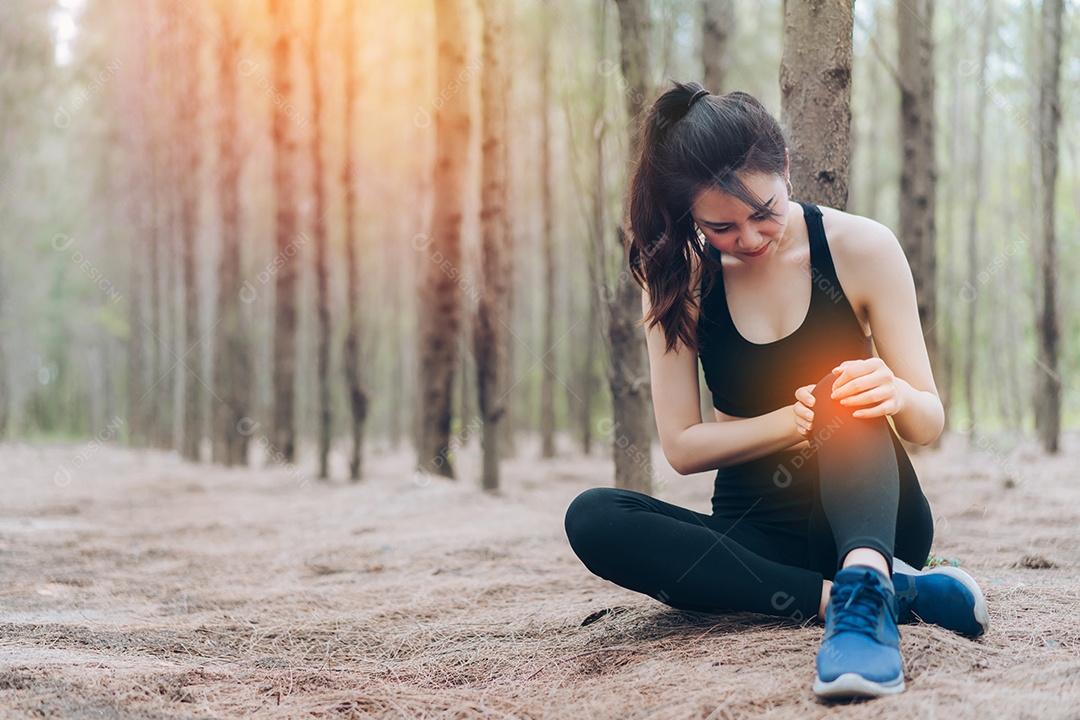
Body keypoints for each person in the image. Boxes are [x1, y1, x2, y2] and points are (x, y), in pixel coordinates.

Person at [563, 81, 989, 700]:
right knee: (595, 517)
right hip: (754, 532)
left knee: (843, 385)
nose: (751, 238)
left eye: (764, 212)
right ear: (691, 217)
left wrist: (893, 391)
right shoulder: (677, 277)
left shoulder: (861, 247)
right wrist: (793, 421)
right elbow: (682, 446)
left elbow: (929, 421)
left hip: (875, 515)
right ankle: (865, 598)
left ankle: (866, 592)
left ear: (786, 169)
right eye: (722, 227)